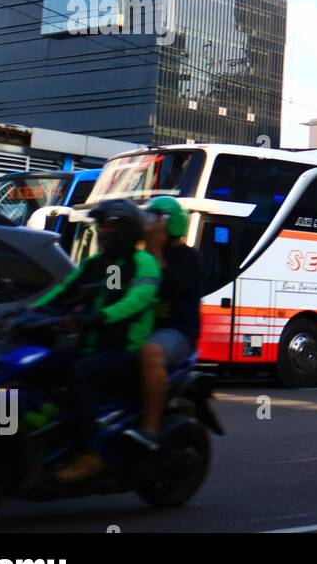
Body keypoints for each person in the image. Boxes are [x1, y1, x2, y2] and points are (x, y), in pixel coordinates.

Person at [40, 199, 161, 483]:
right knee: (44, 367)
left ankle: (91, 454)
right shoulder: (99, 264)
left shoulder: (142, 263)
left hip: (124, 350)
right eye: (101, 225)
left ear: (127, 230)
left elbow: (136, 301)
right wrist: (27, 313)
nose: (103, 231)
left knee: (79, 374)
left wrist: (99, 317)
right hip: (91, 345)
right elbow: (63, 291)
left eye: (109, 226)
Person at [123, 196, 202, 449]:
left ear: (169, 224)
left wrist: (156, 250)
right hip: (141, 327)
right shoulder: (136, 258)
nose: (149, 225)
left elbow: (171, 286)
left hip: (177, 331)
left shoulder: (189, 258)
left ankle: (151, 427)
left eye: (155, 220)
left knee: (151, 353)